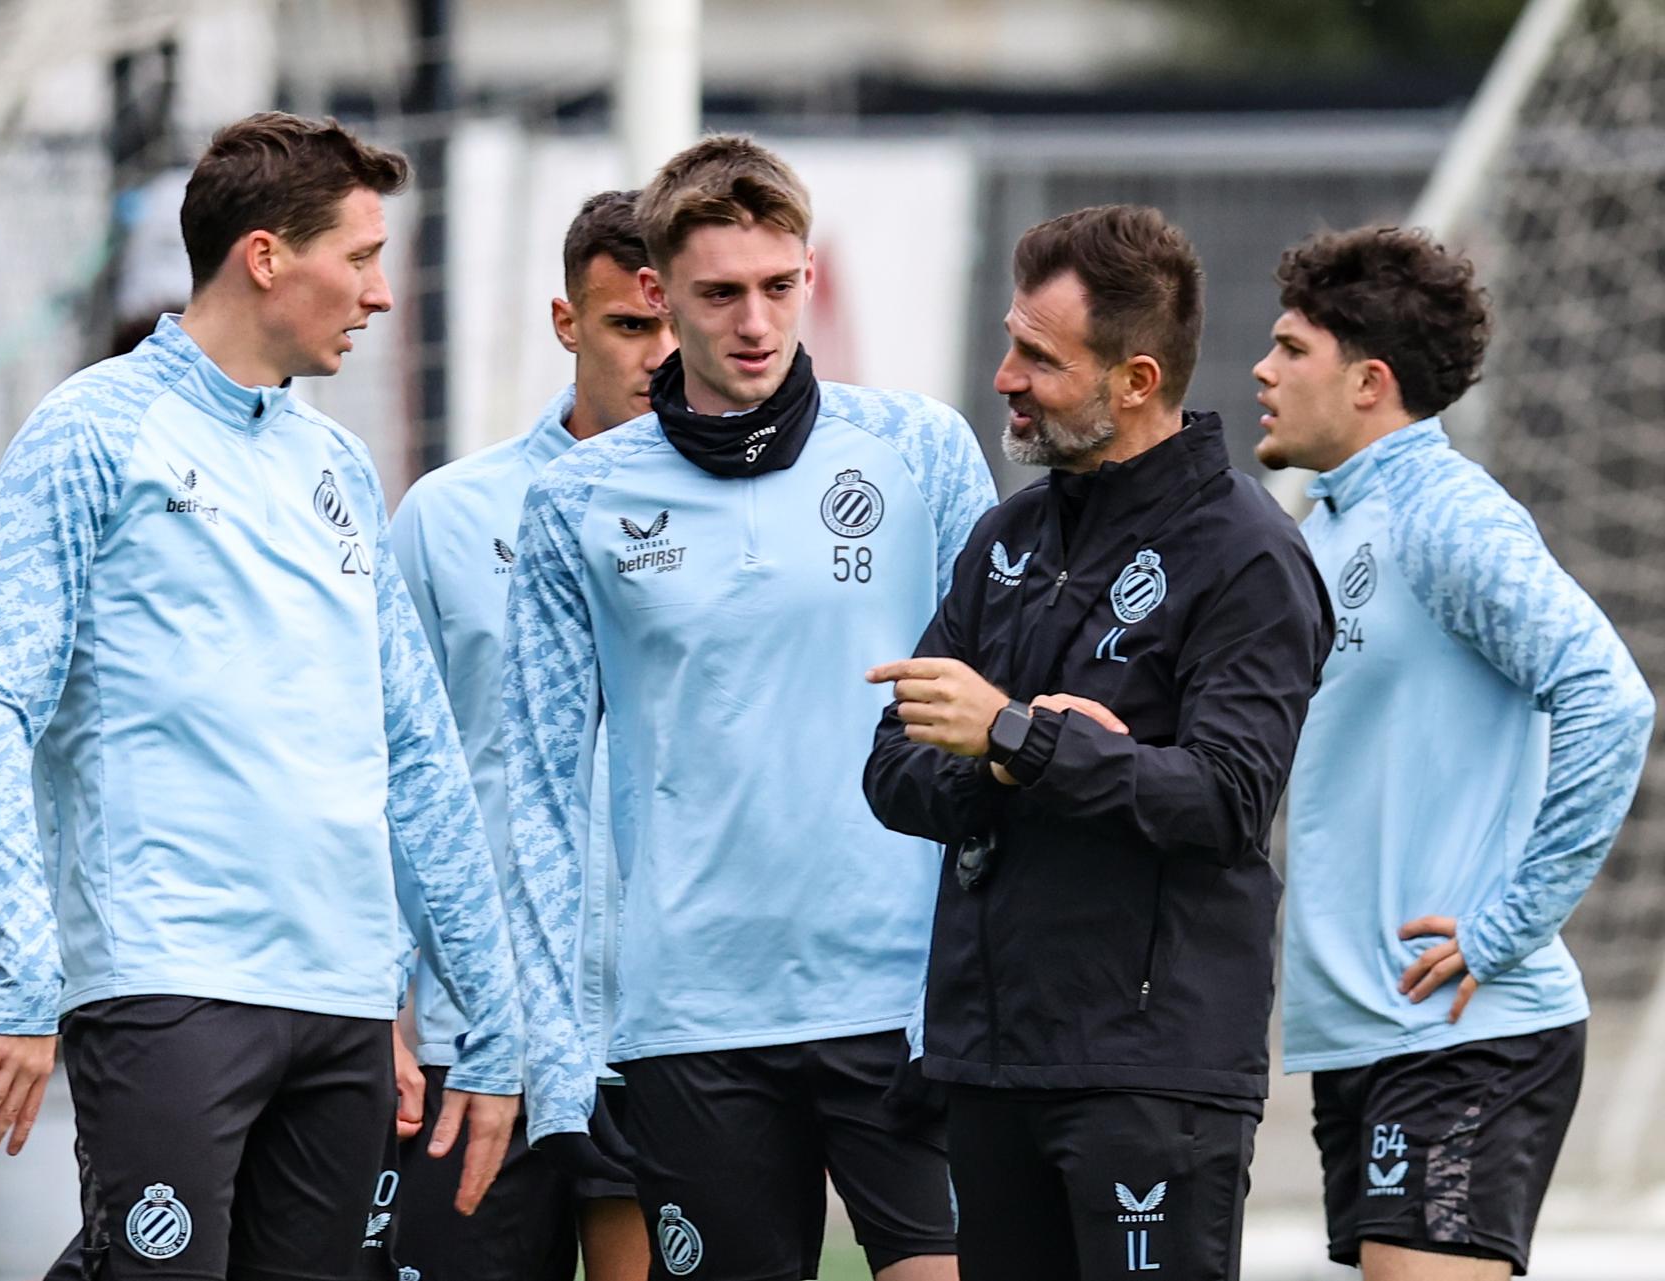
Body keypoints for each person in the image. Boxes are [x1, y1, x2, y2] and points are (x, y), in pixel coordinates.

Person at [0, 112, 521, 1280]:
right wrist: (27, 973)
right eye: (358, 258)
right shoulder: (92, 432)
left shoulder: (338, 466)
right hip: (171, 986)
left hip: (346, 1007)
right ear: (265, 257)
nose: (382, 293)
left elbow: (416, 754)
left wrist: (486, 1022)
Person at [502, 135, 992, 1281]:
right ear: (659, 296)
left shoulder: (921, 449)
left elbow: (993, 715)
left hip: (899, 996)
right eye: (719, 294)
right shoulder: (575, 501)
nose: (755, 322)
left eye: (779, 287)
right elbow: (537, 782)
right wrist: (560, 1033)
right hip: (693, 1011)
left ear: (809, 280)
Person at [862, 203, 1332, 1281]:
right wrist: (1012, 752)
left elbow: (1226, 801)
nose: (1005, 377)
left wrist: (1020, 742)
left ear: (1136, 380)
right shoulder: (1006, 540)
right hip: (989, 1061)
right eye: (1011, 343)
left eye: (1040, 356)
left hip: (1149, 1076)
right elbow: (894, 770)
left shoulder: (1248, 554)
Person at [1253, 225, 1654, 1280]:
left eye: (1293, 350)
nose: (1263, 369)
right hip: (1375, 1034)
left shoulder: (1448, 517)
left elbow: (1611, 702)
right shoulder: (1327, 524)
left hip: (1467, 1028)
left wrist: (1509, 924)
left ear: (1369, 381)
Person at [387, 189, 669, 1281]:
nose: (657, 356)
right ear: (568, 323)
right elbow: (392, 771)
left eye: (673, 327)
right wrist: (385, 1002)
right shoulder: (449, 518)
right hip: (478, 1036)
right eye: (626, 327)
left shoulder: (746, 530)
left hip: (662, 1033)